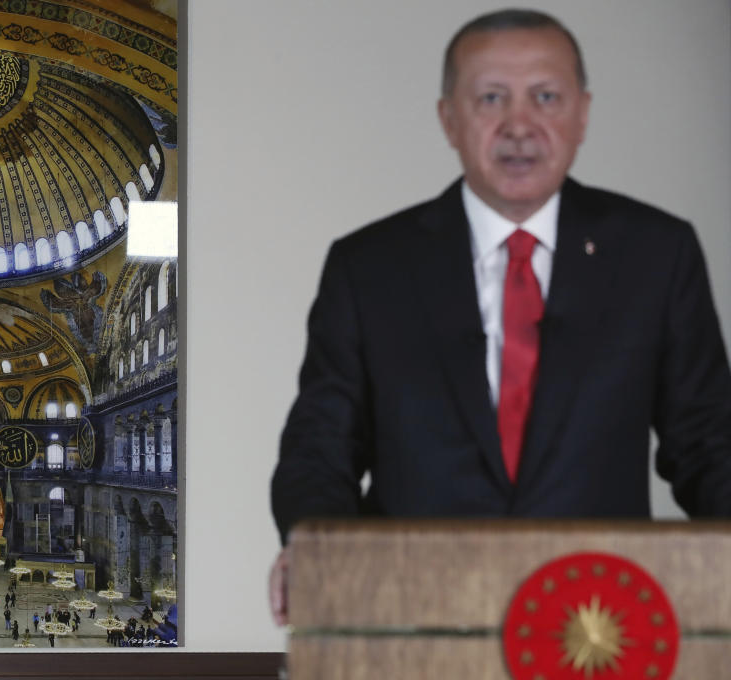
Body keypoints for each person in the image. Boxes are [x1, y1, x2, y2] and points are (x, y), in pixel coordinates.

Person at [269, 8, 731, 625]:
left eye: (546, 97)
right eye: (492, 98)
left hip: (598, 623)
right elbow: (318, 449)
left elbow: (709, 443)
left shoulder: (657, 253)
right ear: (449, 119)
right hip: (414, 621)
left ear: (583, 113)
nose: (521, 125)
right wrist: (316, 544)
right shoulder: (369, 266)